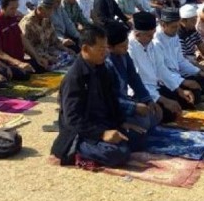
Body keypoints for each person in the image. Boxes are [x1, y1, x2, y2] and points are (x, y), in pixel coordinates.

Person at [51, 25, 141, 168]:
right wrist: (102, 134)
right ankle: (78, 152)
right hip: (82, 134)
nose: (105, 53)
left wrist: (121, 122)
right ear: (86, 49)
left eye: (106, 48)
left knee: (139, 135)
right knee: (117, 153)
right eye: (101, 49)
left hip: (104, 123)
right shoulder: (74, 78)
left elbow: (111, 100)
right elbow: (72, 120)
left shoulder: (101, 68)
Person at [128, 11, 194, 123]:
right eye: (149, 35)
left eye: (153, 34)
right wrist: (161, 100)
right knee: (166, 114)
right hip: (141, 93)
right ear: (137, 34)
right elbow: (136, 83)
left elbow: (161, 69)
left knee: (185, 100)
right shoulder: (129, 49)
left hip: (155, 88)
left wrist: (179, 90)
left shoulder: (151, 44)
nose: (152, 37)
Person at [104, 21, 161, 138]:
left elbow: (134, 78)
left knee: (154, 115)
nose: (126, 48)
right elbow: (107, 99)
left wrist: (148, 100)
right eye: (122, 46)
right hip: (109, 110)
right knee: (142, 127)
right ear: (109, 47)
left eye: (126, 44)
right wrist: (133, 107)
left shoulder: (124, 55)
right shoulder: (105, 63)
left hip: (123, 103)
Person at [154, 7, 204, 94]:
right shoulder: (156, 41)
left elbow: (181, 61)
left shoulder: (174, 36)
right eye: (174, 27)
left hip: (178, 75)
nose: (177, 29)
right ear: (163, 25)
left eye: (177, 26)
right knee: (194, 95)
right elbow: (162, 71)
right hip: (165, 79)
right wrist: (182, 82)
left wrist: (199, 72)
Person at [0, 0, 37, 77]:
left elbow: (22, 38)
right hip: (7, 63)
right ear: (3, 7)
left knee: (41, 65)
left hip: (20, 58)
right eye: (12, 8)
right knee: (24, 75)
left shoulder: (12, 17)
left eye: (16, 8)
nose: (15, 11)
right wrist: (18, 63)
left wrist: (36, 56)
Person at [20, 0, 74, 71]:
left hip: (48, 51)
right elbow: (26, 48)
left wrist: (65, 48)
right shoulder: (27, 23)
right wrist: (44, 58)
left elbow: (54, 40)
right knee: (43, 65)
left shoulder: (46, 19)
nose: (51, 13)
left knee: (70, 55)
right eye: (49, 10)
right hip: (35, 55)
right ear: (40, 9)